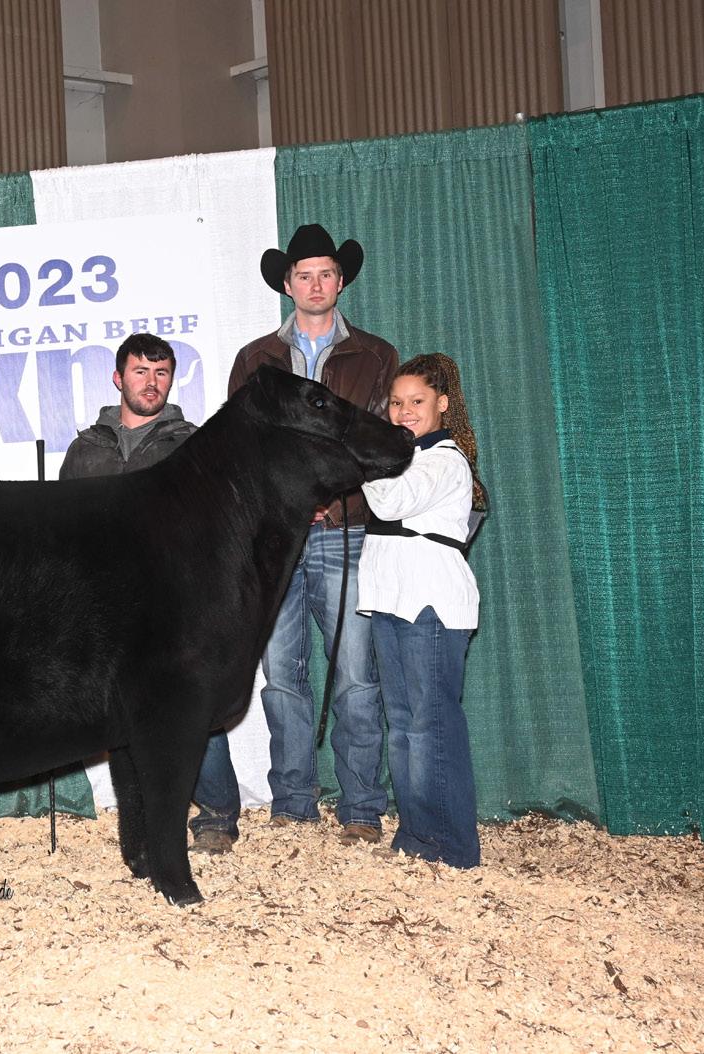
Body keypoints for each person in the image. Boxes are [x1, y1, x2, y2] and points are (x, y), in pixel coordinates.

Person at [202, 223, 399, 844]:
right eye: (304, 276)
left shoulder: (376, 356)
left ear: (341, 282)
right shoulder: (256, 360)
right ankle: (292, 801)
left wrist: (329, 494)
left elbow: (376, 440)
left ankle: (361, 807)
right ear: (287, 285)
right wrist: (284, 502)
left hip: (347, 531)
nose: (316, 285)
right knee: (281, 674)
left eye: (326, 275)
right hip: (275, 540)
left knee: (356, 674)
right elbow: (241, 447)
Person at [59, 332, 239, 855]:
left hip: (175, 600)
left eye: (161, 373)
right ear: (119, 378)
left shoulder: (194, 444)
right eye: (140, 372)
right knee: (121, 710)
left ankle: (217, 813)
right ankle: (140, 824)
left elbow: (218, 524)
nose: (151, 382)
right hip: (104, 603)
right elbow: (63, 526)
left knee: (192, 705)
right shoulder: (85, 448)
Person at [360, 354, 486, 868]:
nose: (404, 411)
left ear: (443, 404)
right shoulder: (407, 457)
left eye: (417, 401)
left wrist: (362, 459)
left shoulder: (444, 459)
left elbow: (390, 505)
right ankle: (416, 836)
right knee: (404, 724)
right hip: (392, 601)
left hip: (430, 603)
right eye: (396, 402)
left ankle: (451, 846)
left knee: (430, 724)